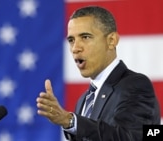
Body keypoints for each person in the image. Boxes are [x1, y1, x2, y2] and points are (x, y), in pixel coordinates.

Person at [36, 6, 160, 141]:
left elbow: (132, 137)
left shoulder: (136, 85)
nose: (75, 48)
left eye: (85, 37)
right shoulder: (84, 100)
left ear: (111, 40)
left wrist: (70, 121)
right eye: (71, 40)